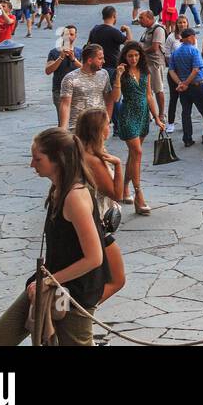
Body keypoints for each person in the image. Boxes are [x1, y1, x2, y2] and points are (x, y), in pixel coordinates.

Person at [0, 128, 105, 346]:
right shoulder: (58, 188)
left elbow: (95, 257)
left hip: (74, 292)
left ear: (58, 160)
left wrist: (50, 280)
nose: (32, 164)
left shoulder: (75, 197)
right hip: (50, 280)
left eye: (37, 159)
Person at [73, 108, 127, 306]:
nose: (109, 128)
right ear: (98, 130)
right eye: (106, 125)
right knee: (116, 279)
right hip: (98, 226)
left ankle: (80, 314)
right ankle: (80, 314)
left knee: (91, 280)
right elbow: (116, 194)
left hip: (90, 222)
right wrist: (119, 166)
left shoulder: (80, 153)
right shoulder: (94, 160)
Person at [112, 41, 162, 216]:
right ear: (125, 57)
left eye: (136, 55)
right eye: (130, 56)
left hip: (143, 116)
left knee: (134, 155)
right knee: (138, 152)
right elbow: (116, 98)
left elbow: (149, 95)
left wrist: (157, 117)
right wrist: (118, 77)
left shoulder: (145, 72)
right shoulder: (122, 73)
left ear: (140, 55)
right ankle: (139, 195)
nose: (133, 59)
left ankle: (125, 188)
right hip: (127, 115)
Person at [168, 28, 203, 147]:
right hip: (196, 85)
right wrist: (186, 83)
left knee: (186, 112)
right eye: (194, 36)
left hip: (184, 88)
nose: (195, 38)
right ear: (189, 38)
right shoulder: (194, 51)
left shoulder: (176, 52)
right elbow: (196, 69)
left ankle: (187, 138)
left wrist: (180, 83)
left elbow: (171, 70)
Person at [58, 45, 117, 130]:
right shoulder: (70, 78)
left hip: (98, 127)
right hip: (78, 128)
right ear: (89, 60)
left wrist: (107, 120)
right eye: (100, 59)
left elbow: (109, 99)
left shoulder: (104, 74)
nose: (103, 61)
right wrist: (63, 128)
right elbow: (65, 104)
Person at [137, 10, 168, 124]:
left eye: (141, 18)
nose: (139, 20)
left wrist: (139, 53)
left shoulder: (158, 29)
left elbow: (154, 48)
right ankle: (149, 113)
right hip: (146, 63)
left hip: (155, 64)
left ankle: (161, 114)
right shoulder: (147, 30)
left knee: (158, 89)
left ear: (149, 18)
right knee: (146, 90)